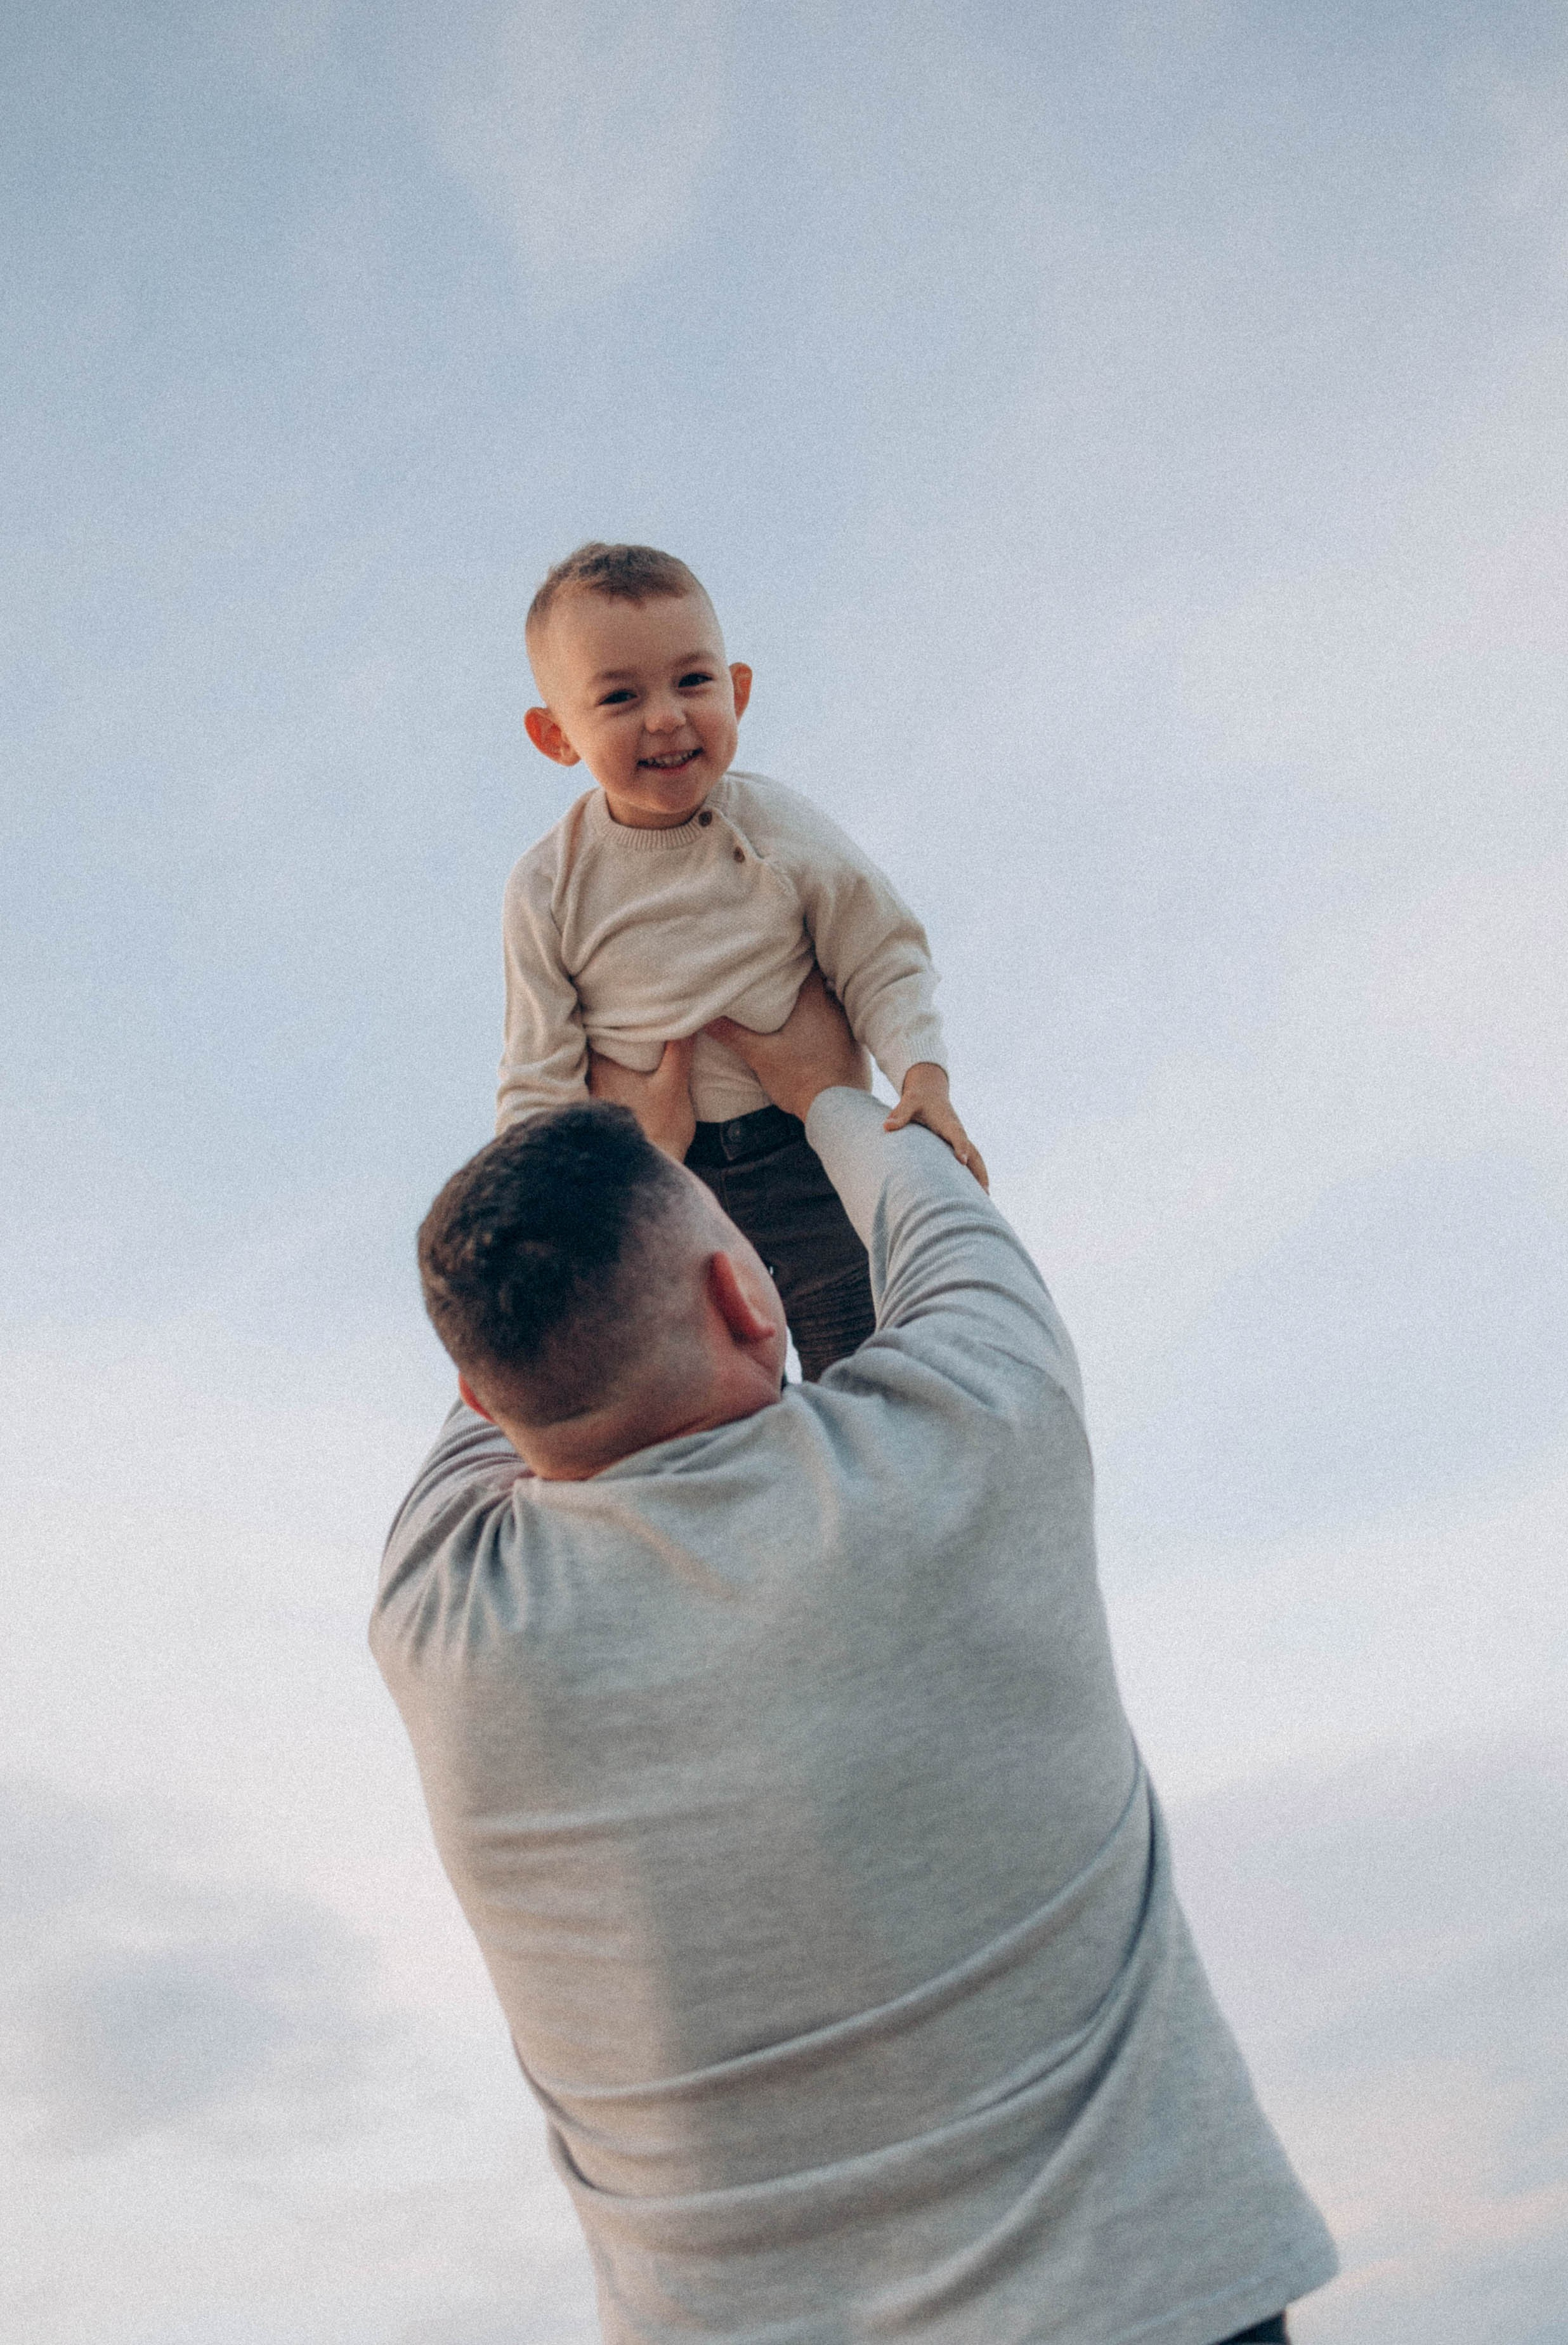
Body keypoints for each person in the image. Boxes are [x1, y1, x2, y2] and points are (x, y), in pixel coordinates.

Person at [371, 972, 1337, 2345]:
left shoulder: (438, 1621)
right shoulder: (968, 1432)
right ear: (744, 1297)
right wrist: (829, 1089)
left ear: (480, 1398)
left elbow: (516, 1357)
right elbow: (939, 1211)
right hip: (1150, 2310)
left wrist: (621, 1155)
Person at [494, 539, 985, 1381]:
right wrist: (541, 1226)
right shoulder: (550, 886)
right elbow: (539, 1073)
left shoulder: (773, 827)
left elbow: (878, 949)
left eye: (693, 681)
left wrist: (922, 1073)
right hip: (663, 1189)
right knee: (706, 1400)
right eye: (619, 696)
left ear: (739, 690)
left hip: (808, 1158)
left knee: (868, 1369)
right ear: (556, 736)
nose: (666, 716)